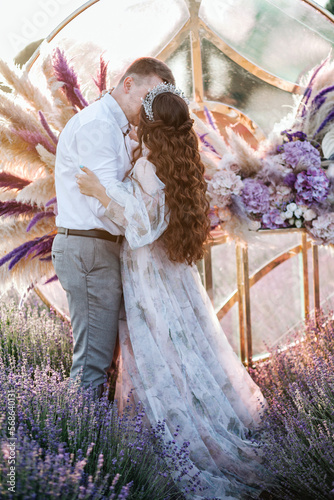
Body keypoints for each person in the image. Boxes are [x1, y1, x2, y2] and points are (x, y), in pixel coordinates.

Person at [76, 82, 267, 499]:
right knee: (184, 344)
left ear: (147, 125)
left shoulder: (147, 166)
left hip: (148, 272)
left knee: (159, 348)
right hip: (171, 273)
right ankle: (201, 417)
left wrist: (100, 192)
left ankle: (176, 439)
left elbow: (142, 227)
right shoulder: (178, 163)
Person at [52, 58, 175, 397]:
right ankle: (81, 445)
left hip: (98, 248)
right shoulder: (100, 126)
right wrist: (142, 214)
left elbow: (109, 192)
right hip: (90, 248)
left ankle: (89, 438)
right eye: (147, 95)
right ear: (128, 84)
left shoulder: (116, 128)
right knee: (94, 360)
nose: (149, 108)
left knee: (103, 359)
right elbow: (100, 202)